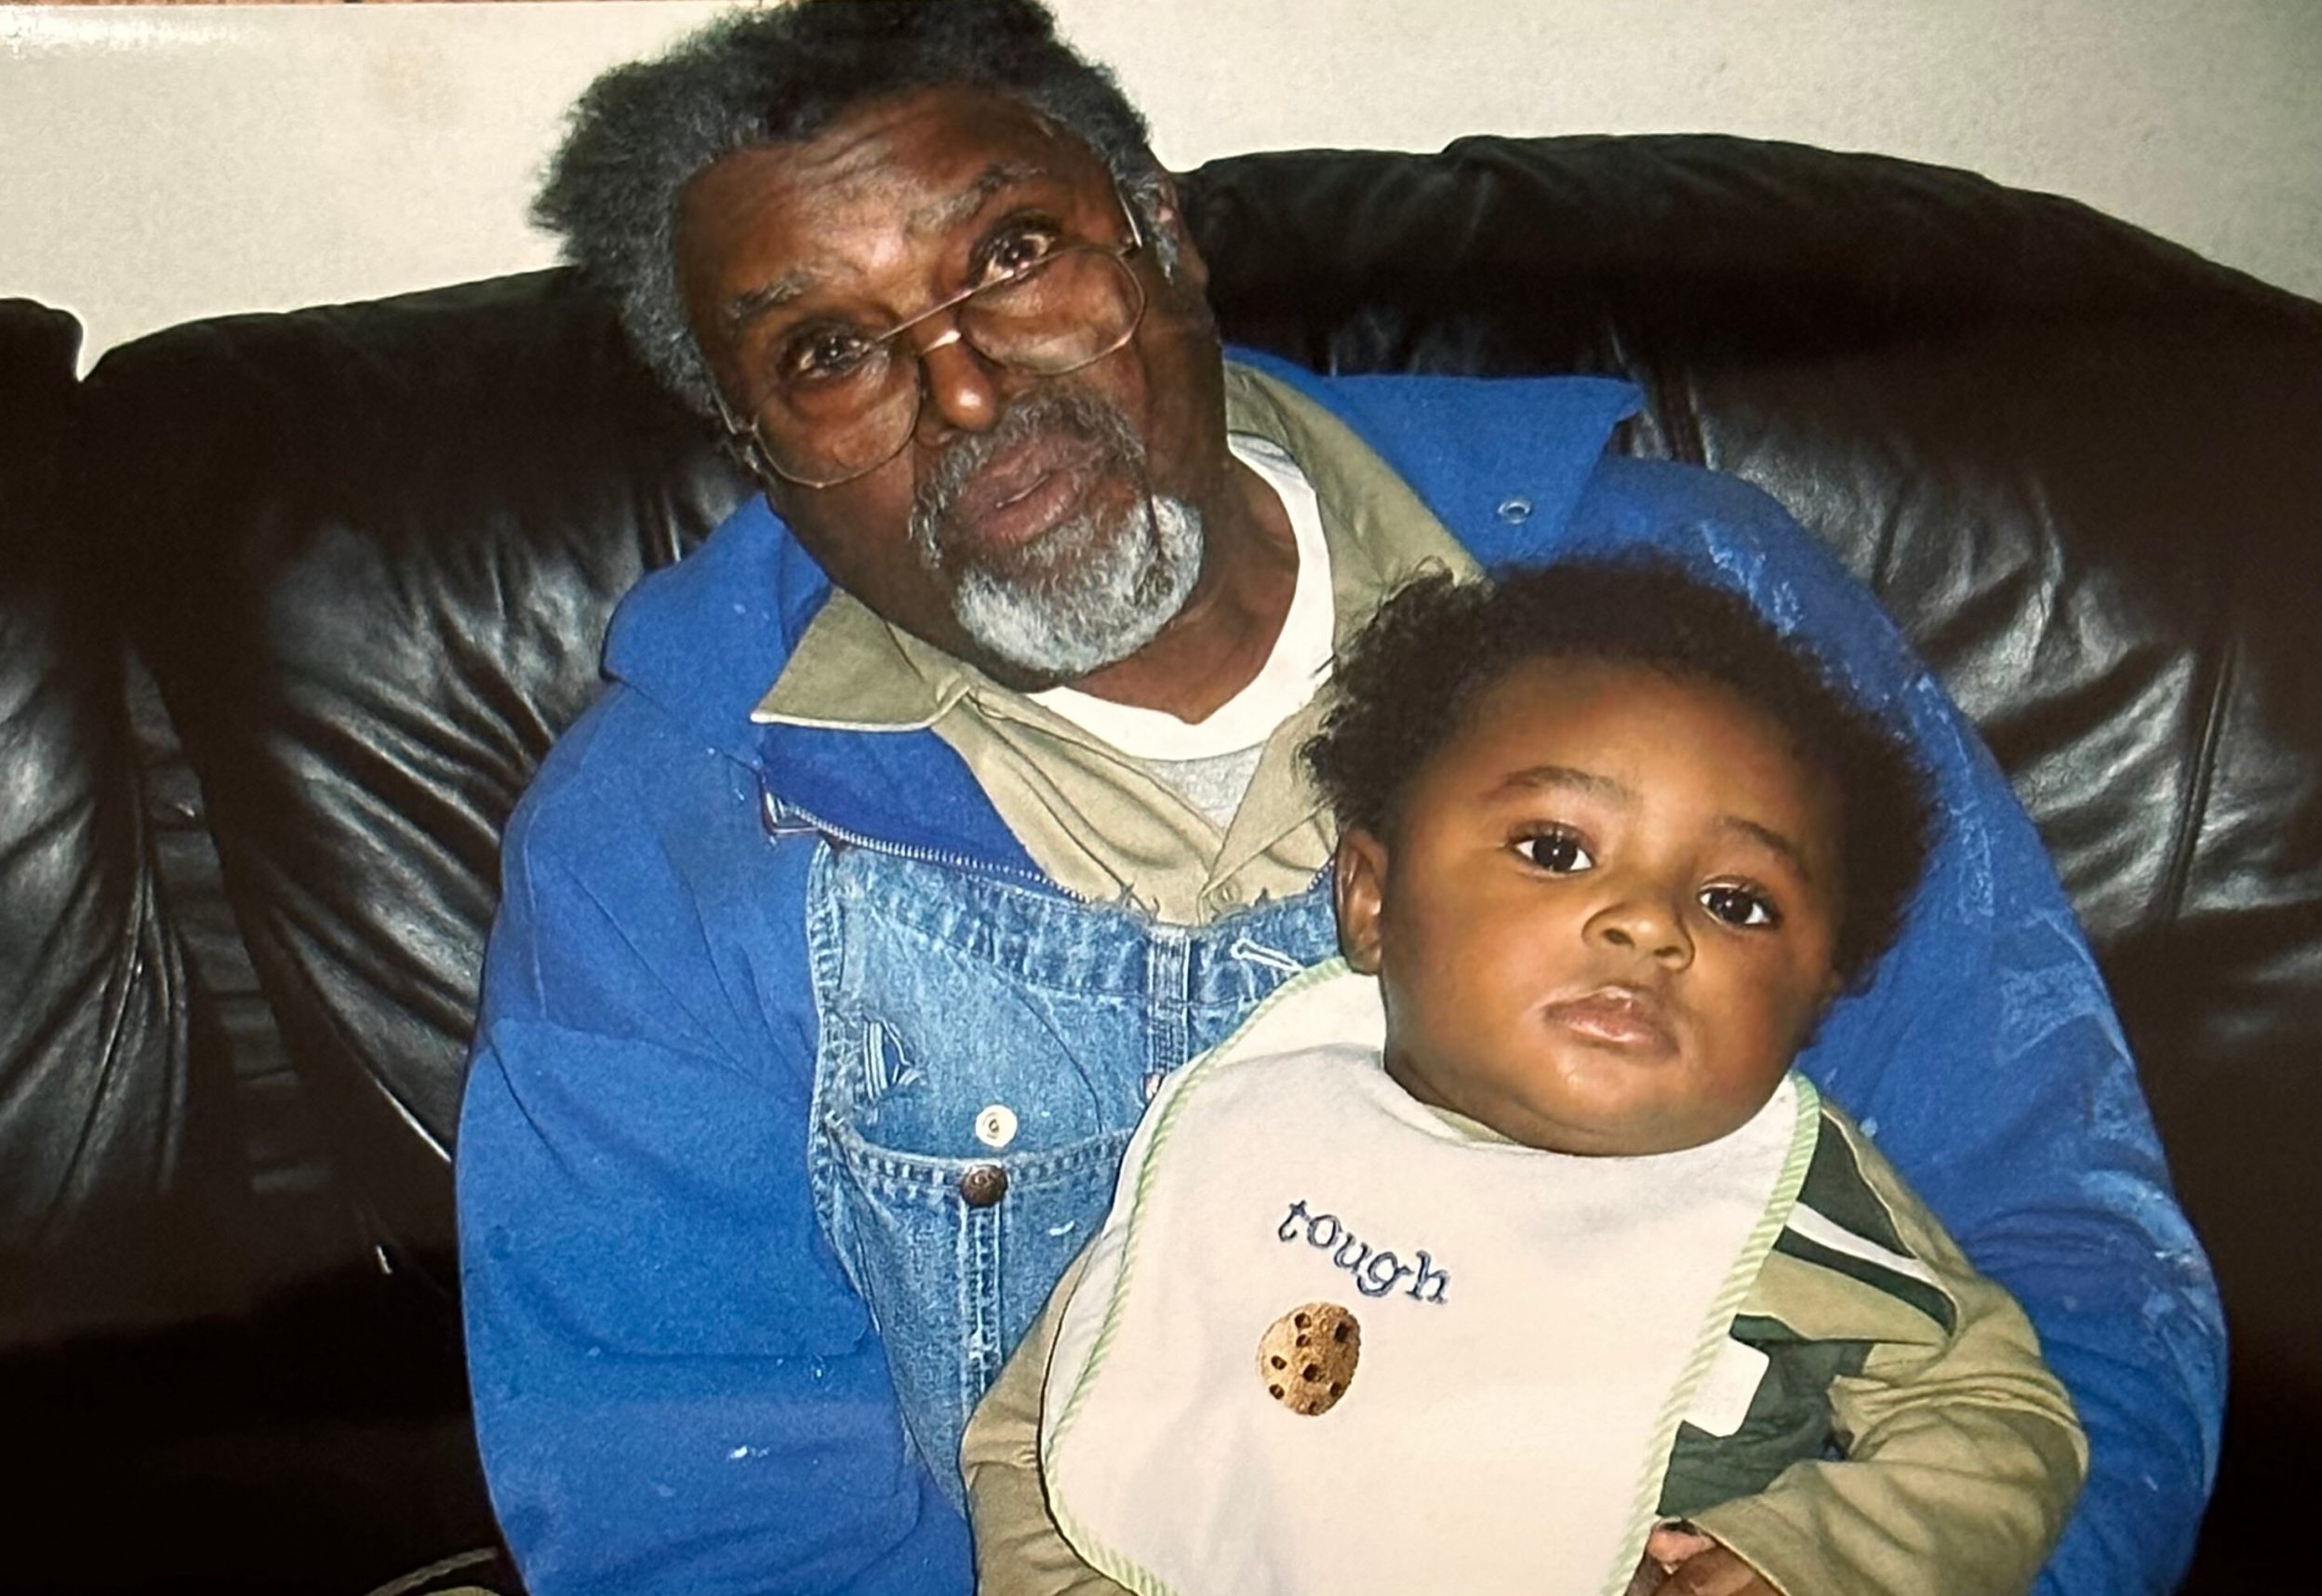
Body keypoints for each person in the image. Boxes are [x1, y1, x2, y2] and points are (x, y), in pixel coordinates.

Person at [451, 3, 2221, 1592]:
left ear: (1163, 234)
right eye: (827, 355)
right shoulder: (665, 841)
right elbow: (696, 1521)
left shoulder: (1692, 614)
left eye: (1014, 253)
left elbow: (2069, 1268)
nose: (967, 388)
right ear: (757, 453)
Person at [961, 561, 2085, 1596]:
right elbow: (1038, 1444)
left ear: (1818, 995)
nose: (1649, 924)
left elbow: (1996, 1415)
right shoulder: (1263, 1132)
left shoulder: (1800, 1199)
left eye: (1736, 902)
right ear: (1371, 899)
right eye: (1555, 850)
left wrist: (1804, 1557)